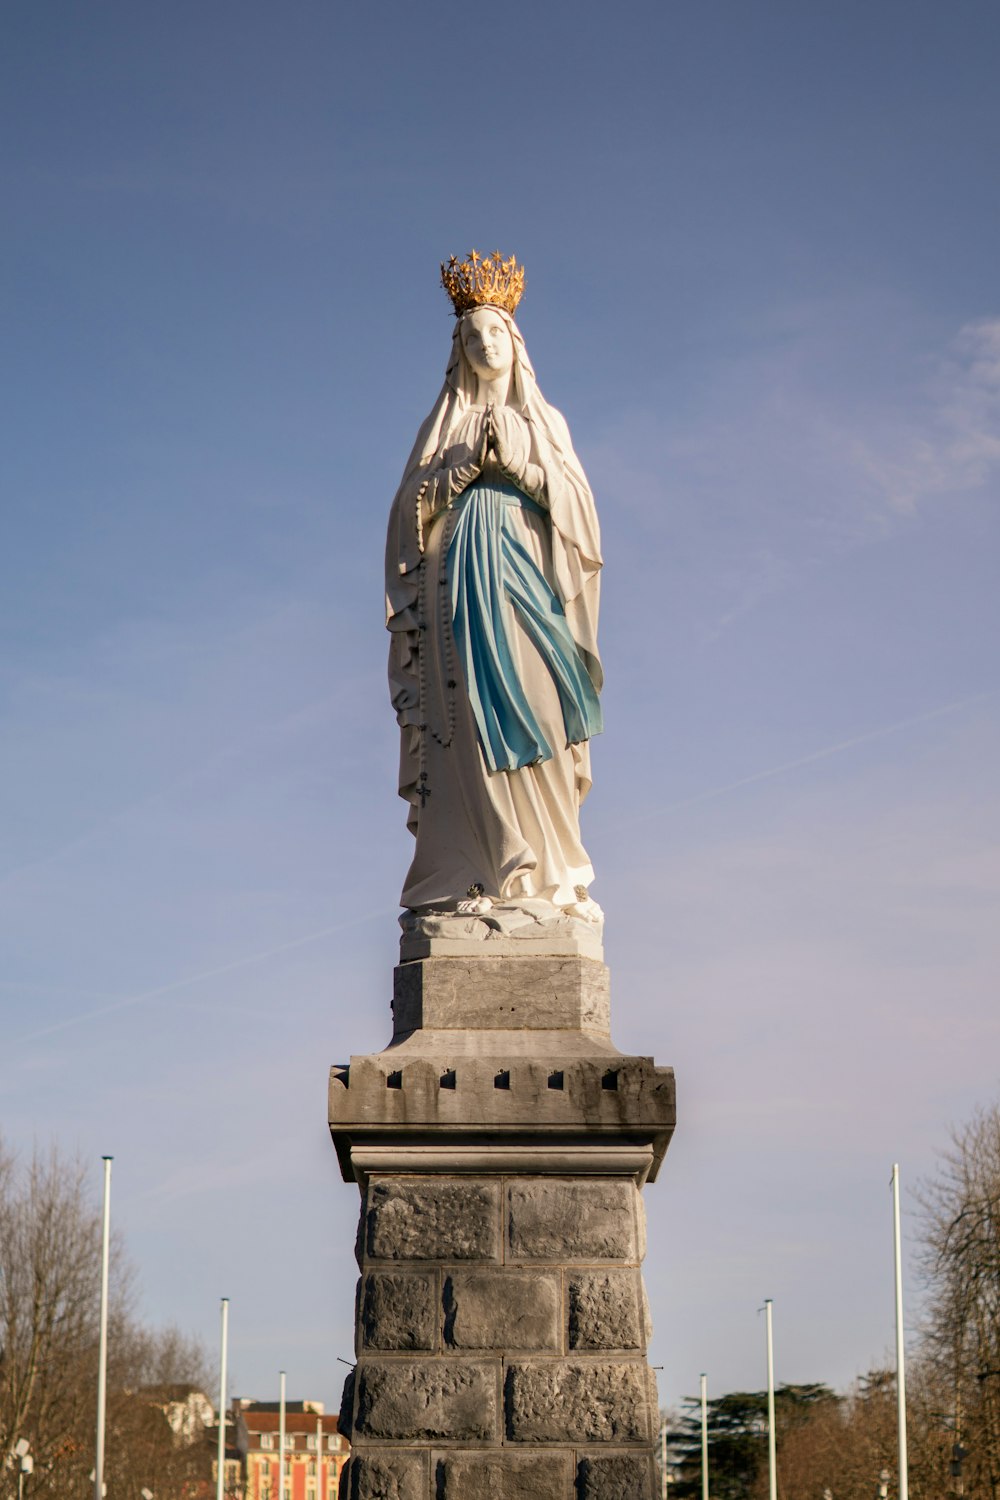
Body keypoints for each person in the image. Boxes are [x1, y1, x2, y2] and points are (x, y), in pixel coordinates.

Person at [385, 252, 603, 919]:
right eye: (473, 336)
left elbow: (583, 523)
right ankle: (479, 869)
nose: (485, 344)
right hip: (456, 592)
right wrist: (451, 480)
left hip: (525, 583)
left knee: (536, 710)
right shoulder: (441, 426)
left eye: (496, 333)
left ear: (516, 344)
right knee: (469, 726)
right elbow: (404, 519)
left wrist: (518, 470)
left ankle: (548, 871)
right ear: (460, 350)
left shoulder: (546, 424)